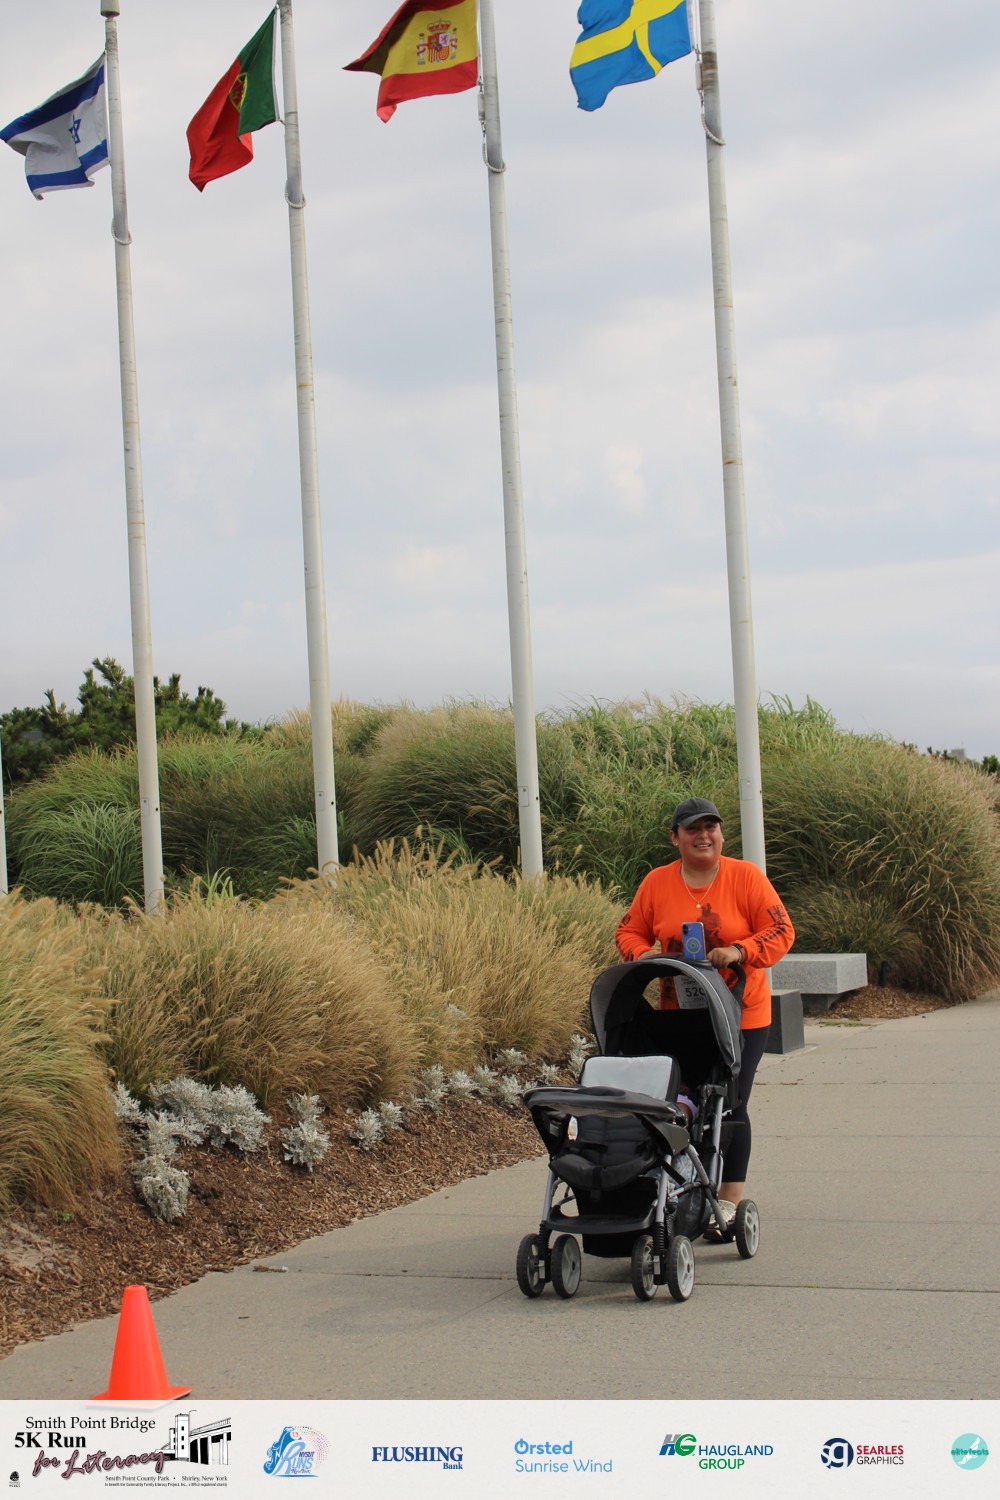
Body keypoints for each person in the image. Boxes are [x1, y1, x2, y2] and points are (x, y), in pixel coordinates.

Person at [614, 796, 794, 1238]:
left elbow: (781, 930)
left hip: (741, 1013)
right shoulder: (657, 882)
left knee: (731, 1102)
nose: (703, 835)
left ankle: (728, 1200)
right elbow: (628, 930)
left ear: (721, 835)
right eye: (692, 829)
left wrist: (740, 950)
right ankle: (681, 1189)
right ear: (675, 837)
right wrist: (644, 956)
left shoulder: (745, 877)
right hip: (679, 1015)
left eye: (710, 827)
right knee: (682, 1103)